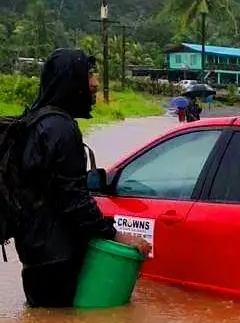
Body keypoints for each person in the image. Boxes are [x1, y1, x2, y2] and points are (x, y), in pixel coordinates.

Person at [13, 48, 148, 309]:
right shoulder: (61, 129)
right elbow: (74, 200)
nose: (95, 84)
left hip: (35, 255)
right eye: (88, 76)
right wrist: (115, 235)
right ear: (70, 81)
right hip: (59, 259)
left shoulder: (34, 123)